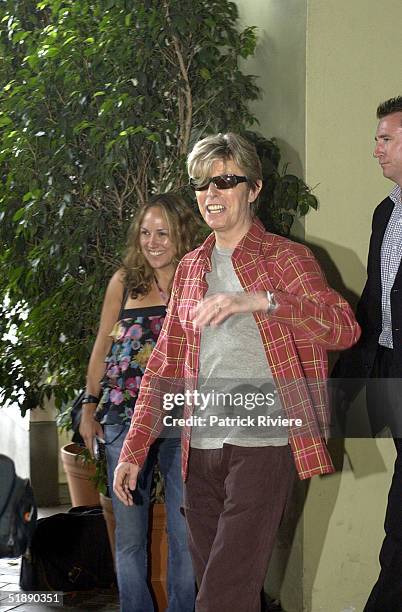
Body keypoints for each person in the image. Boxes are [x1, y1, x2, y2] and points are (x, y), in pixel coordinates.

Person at [114, 132, 360, 612]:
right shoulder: (190, 268)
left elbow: (342, 329)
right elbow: (164, 364)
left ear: (254, 188)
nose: (212, 194)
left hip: (264, 444)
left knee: (221, 598)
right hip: (200, 449)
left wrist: (265, 302)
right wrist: (134, 448)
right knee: (225, 591)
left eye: (226, 181)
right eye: (202, 184)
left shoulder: (286, 259)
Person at [79, 193, 198, 612]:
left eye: (162, 232)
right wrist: (89, 405)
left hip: (184, 420)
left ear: (181, 235)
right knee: (130, 537)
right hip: (123, 422)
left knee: (186, 533)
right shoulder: (123, 282)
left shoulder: (197, 281)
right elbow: (101, 348)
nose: (152, 242)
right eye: (145, 232)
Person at [332, 96, 402, 612]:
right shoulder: (386, 212)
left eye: (386, 139)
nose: (374, 149)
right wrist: (338, 391)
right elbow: (373, 306)